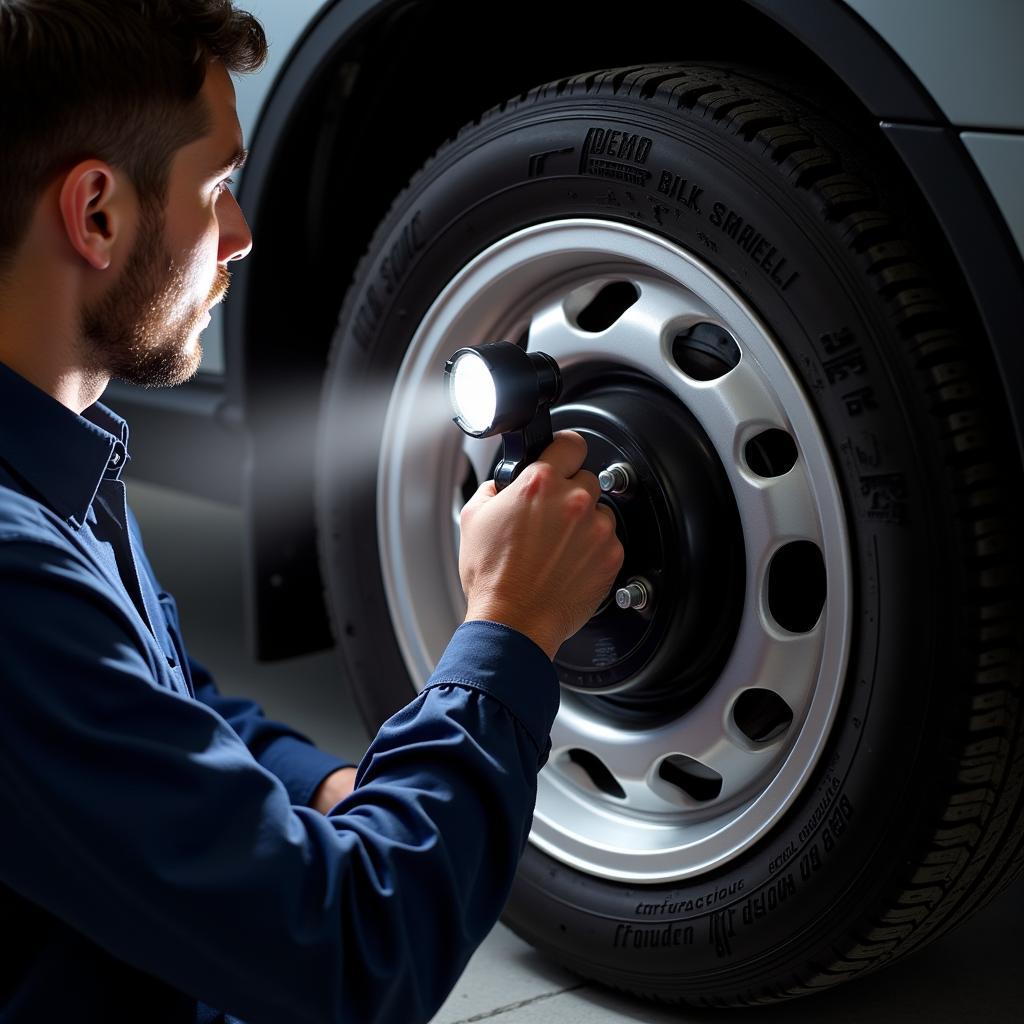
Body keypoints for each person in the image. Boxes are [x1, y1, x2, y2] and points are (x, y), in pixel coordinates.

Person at [0, 2, 624, 1022]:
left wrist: (323, 789)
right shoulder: (14, 578)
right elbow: (352, 959)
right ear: (97, 214)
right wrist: (508, 627)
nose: (241, 237)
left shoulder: (52, 456)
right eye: (218, 186)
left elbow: (166, 707)